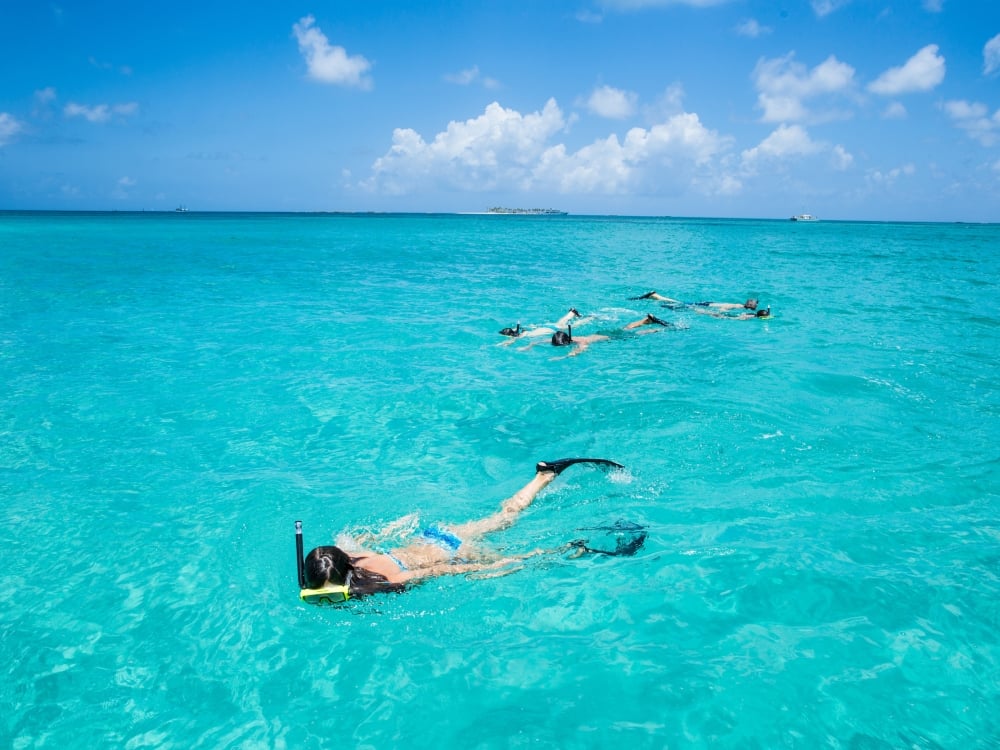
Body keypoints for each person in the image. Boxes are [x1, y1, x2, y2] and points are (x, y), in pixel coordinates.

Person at [300, 458, 624, 599]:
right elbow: (347, 542)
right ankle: (542, 479)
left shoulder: (388, 580)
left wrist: (487, 567)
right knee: (500, 520)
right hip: (429, 536)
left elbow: (440, 571)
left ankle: (547, 489)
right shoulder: (353, 558)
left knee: (506, 539)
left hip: (449, 548)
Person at [546, 314, 673, 357]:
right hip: (601, 333)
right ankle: (646, 320)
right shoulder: (570, 338)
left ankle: (657, 330)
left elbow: (582, 347)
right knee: (626, 328)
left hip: (609, 337)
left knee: (636, 334)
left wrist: (568, 355)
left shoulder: (580, 341)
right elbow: (547, 340)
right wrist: (530, 345)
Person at [499, 308, 585, 343]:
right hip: (547, 326)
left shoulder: (519, 335)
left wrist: (504, 343)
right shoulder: (520, 331)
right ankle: (572, 312)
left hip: (549, 330)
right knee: (561, 322)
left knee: (574, 325)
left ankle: (590, 318)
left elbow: (511, 341)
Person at [630, 290, 760, 312]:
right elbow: (724, 308)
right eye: (754, 304)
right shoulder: (738, 306)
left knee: (679, 303)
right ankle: (656, 297)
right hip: (707, 305)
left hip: (708, 303)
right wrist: (720, 314)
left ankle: (657, 297)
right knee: (678, 304)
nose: (755, 306)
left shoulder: (739, 306)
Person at [696, 305, 771, 320]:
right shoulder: (752, 317)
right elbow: (741, 318)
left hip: (736, 315)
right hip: (733, 317)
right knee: (717, 315)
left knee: (718, 314)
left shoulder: (755, 315)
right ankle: (702, 312)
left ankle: (703, 312)